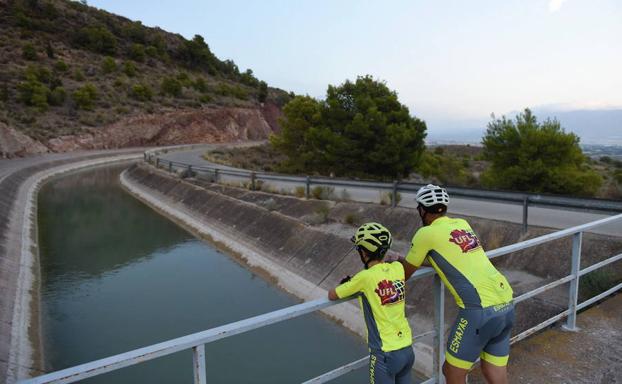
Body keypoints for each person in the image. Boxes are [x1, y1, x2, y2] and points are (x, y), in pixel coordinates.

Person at [397, 184, 514, 384]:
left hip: (479, 310)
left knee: (451, 371)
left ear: (422, 210)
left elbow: (404, 274)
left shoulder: (425, 234)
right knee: (493, 367)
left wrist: (393, 261)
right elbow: (451, 255)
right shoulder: (462, 224)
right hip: (507, 302)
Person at [328, 222, 415, 384]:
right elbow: (404, 262)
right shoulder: (397, 268)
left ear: (365, 252)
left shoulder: (364, 278)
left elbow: (332, 295)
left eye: (358, 249)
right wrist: (394, 256)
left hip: (384, 353)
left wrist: (348, 282)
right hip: (407, 350)